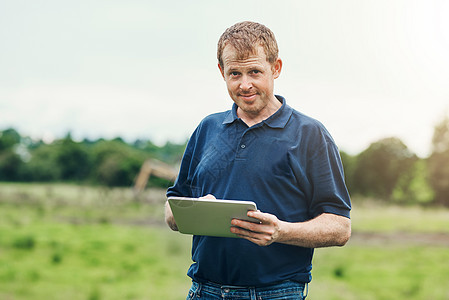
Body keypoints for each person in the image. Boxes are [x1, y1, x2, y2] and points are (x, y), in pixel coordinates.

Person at [165, 21, 351, 300]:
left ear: (275, 68)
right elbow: (171, 210)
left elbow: (340, 227)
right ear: (221, 72)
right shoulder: (208, 128)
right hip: (205, 290)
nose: (245, 84)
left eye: (254, 71)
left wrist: (281, 231)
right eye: (235, 73)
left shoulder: (310, 134)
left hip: (277, 293)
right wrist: (192, 212)